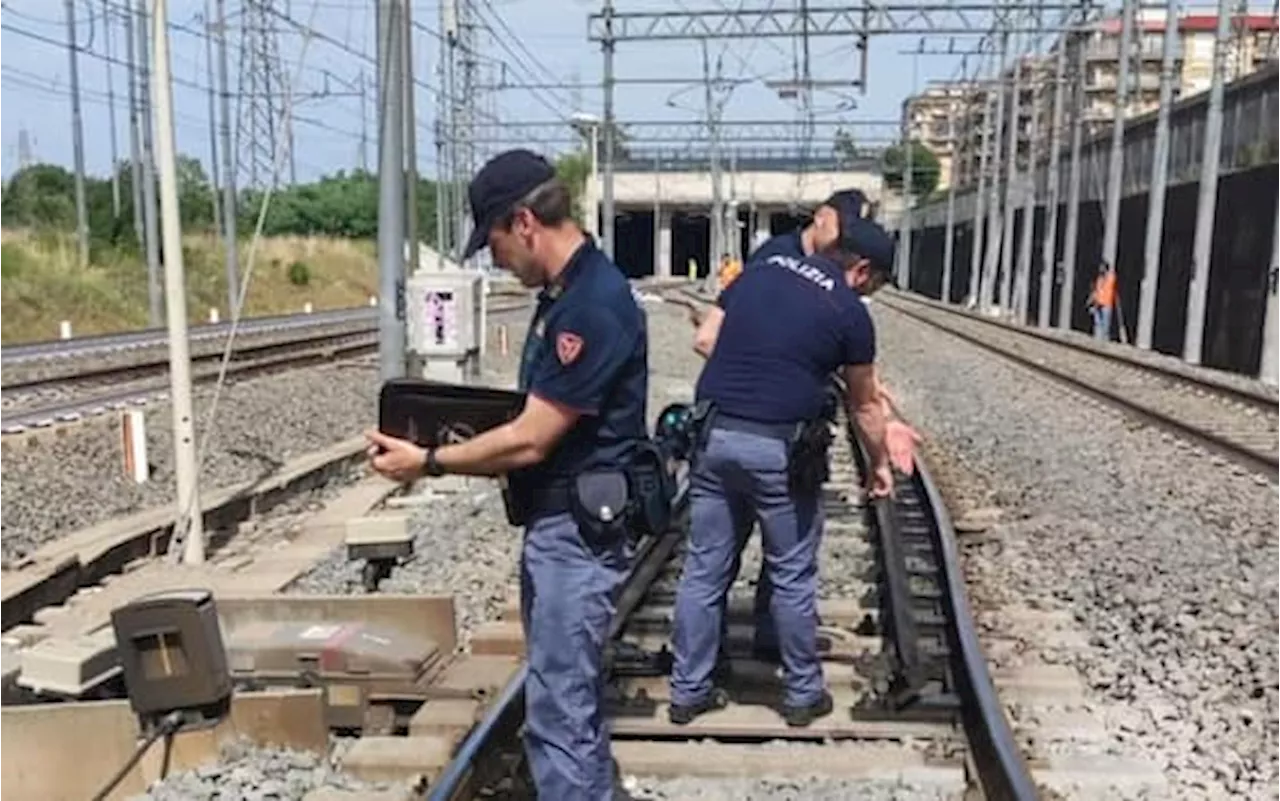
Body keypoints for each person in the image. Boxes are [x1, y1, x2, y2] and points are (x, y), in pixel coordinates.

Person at [364, 149, 647, 801]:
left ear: (523, 221)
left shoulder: (591, 306)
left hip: (577, 536)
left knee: (560, 714)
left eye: (492, 241)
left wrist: (429, 460)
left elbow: (530, 438)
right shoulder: (568, 293)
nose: (493, 260)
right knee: (562, 701)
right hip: (562, 524)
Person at [668, 216, 897, 728]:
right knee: (792, 574)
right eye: (877, 282)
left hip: (716, 435)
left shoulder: (760, 271)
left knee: (704, 569)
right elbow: (864, 405)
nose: (872, 293)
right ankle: (800, 695)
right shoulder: (849, 311)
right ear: (860, 270)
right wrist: (879, 463)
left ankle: (687, 692)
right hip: (779, 449)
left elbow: (707, 338)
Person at [1088, 262, 1117, 341]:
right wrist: (1091, 301)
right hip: (1098, 303)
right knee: (1097, 323)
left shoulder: (1111, 278)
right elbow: (1096, 291)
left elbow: (1112, 278)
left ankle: (1105, 340)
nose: (1100, 270)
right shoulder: (1099, 279)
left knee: (1105, 324)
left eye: (1102, 268)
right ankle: (1098, 338)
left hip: (1106, 304)